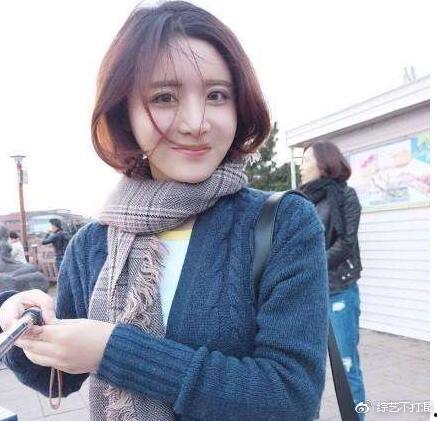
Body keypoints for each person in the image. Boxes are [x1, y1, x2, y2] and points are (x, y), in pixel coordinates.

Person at [0, 2, 329, 420]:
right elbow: (61, 375)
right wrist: (21, 323)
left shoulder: (282, 223)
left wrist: (112, 351)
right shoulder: (93, 243)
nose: (195, 122)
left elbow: (290, 398)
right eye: (164, 97)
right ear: (125, 113)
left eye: (216, 95)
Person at [299, 141, 366, 414]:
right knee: (306, 368)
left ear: (323, 163)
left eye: (306, 160)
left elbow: (346, 243)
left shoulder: (346, 196)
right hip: (308, 293)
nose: (301, 166)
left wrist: (310, 265)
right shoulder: (301, 200)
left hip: (339, 290)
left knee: (347, 367)